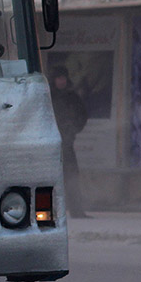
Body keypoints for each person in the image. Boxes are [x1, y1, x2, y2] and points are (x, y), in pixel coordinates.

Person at [49, 64, 90, 218]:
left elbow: (82, 115)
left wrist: (72, 130)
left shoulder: (72, 97)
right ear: (54, 80)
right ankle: (50, 212)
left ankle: (76, 211)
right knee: (50, 179)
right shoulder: (47, 97)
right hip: (49, 145)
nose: (61, 81)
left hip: (66, 144)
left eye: (63, 78)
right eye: (59, 78)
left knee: (72, 177)